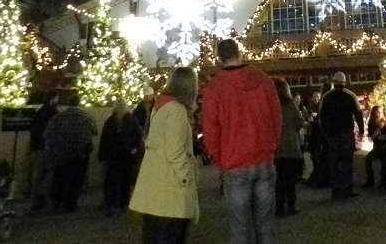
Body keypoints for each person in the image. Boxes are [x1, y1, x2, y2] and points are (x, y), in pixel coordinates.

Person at [202, 38, 281, 244]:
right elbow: (276, 117)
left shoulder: (215, 87)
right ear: (239, 53)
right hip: (263, 160)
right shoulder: (263, 80)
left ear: (220, 58)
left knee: (239, 228)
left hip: (234, 163)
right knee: (265, 226)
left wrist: (219, 159)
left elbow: (210, 129)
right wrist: (272, 147)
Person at [129, 67, 200, 244]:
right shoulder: (176, 110)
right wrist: (187, 176)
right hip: (171, 186)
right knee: (171, 234)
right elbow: (175, 150)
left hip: (157, 185)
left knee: (154, 232)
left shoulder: (161, 106)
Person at [44, 92, 98, 212]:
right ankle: (70, 204)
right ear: (78, 103)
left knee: (61, 178)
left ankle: (58, 202)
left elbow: (48, 134)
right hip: (80, 155)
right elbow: (95, 131)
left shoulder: (58, 117)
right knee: (76, 180)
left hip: (61, 154)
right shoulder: (86, 117)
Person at [318, 71, 365, 200]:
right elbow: (358, 114)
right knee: (347, 162)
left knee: (334, 163)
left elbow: (321, 116)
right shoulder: (351, 96)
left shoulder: (327, 96)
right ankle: (347, 189)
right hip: (346, 134)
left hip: (332, 134)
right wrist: (361, 130)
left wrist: (325, 132)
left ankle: (336, 190)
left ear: (334, 82)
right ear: (344, 82)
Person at [99, 98, 144, 215]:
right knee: (114, 180)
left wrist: (135, 147)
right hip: (116, 154)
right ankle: (114, 205)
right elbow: (105, 137)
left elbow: (138, 134)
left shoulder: (129, 119)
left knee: (123, 180)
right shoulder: (112, 121)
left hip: (125, 154)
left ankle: (121, 204)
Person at [273, 79, 305, 217]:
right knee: (290, 179)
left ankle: (279, 207)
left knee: (278, 180)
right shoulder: (291, 105)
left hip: (276, 148)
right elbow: (299, 123)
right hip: (291, 146)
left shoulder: (271, 106)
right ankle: (291, 205)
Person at [29, 90, 60, 210]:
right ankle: (44, 198)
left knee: (38, 175)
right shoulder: (52, 113)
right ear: (52, 99)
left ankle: (36, 200)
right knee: (48, 175)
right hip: (48, 148)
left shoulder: (39, 113)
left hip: (38, 147)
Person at [364, 105, 386, 188]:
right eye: (376, 112)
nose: (378, 114)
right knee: (367, 159)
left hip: (385, 147)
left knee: (385, 160)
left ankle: (383, 182)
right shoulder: (372, 123)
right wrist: (378, 129)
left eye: (380, 112)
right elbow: (371, 138)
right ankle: (371, 180)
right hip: (377, 146)